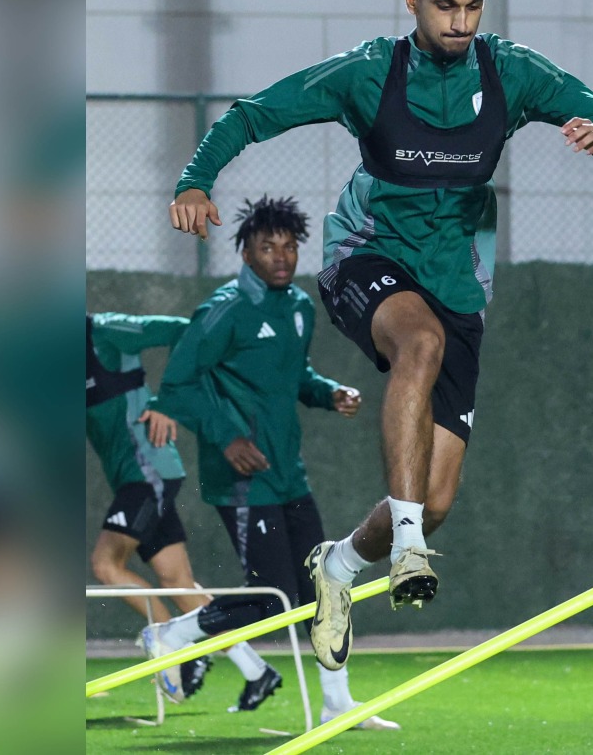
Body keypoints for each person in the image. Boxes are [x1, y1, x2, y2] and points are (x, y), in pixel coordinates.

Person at [165, 0, 593, 672]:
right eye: (443, 5)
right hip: (368, 256)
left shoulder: (511, 72)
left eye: (472, 7)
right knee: (417, 348)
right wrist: (195, 180)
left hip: (456, 282)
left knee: (435, 494)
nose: (458, 22)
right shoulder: (368, 73)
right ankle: (411, 550)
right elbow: (252, 113)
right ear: (411, 0)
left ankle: (341, 567)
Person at [138, 196, 399, 729]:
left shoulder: (300, 307)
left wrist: (328, 393)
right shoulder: (224, 310)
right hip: (240, 480)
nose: (281, 256)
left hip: (287, 474)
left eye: (289, 246)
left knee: (327, 585)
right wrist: (228, 438)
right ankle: (170, 636)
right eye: (267, 247)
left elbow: (294, 377)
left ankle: (337, 702)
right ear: (246, 252)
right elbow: (177, 386)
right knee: (270, 599)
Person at [87, 312, 259, 704]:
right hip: (139, 478)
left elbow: (190, 330)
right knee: (176, 579)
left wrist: (167, 401)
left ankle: (176, 653)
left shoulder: (106, 331)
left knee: (106, 565)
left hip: (148, 475)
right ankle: (256, 669)